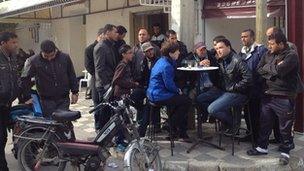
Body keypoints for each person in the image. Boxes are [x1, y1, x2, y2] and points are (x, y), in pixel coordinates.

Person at [247, 32, 303, 165]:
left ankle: (285, 152)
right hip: (267, 94)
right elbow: (259, 69)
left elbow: (280, 71)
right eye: (269, 43)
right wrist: (273, 69)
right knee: (265, 122)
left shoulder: (291, 55)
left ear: (281, 44)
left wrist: (271, 70)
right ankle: (262, 147)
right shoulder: (268, 54)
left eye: (272, 44)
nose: (269, 46)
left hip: (284, 96)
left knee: (285, 126)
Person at [196, 38, 252, 134]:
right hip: (223, 90)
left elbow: (249, 78)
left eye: (221, 47)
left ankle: (233, 123)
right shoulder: (221, 60)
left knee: (212, 109)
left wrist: (234, 87)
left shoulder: (237, 60)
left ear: (228, 47)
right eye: (217, 48)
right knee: (200, 98)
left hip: (237, 92)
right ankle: (229, 121)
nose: (218, 50)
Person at [21, 40, 79, 117]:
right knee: (50, 122)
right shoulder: (33, 61)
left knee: (63, 121)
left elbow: (71, 75)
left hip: (63, 98)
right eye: (46, 56)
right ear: (41, 52)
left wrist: (75, 92)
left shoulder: (65, 58)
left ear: (55, 50)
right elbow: (24, 79)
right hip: (46, 100)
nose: (49, 59)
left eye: (52, 56)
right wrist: (27, 97)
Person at [147, 42, 192, 142]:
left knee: (179, 102)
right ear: (171, 53)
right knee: (187, 101)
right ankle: (170, 124)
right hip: (159, 95)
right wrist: (178, 90)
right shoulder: (166, 65)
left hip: (152, 92)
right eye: (177, 51)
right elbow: (169, 84)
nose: (179, 53)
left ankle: (175, 130)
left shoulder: (161, 60)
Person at [239, 29, 268, 143]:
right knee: (247, 113)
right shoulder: (242, 52)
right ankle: (250, 133)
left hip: (258, 88)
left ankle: (258, 138)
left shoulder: (261, 50)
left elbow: (264, 68)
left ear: (252, 37)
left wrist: (259, 82)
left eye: (245, 36)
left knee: (257, 114)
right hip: (246, 89)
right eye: (242, 37)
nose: (243, 39)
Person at [0, 31, 19, 171]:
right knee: (0, 137)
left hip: (8, 103)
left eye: (15, 42)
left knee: (4, 137)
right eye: (13, 42)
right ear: (3, 43)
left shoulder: (12, 57)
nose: (15, 45)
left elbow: (15, 79)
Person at [94, 24, 119, 129]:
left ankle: (108, 135)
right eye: (115, 32)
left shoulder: (110, 45)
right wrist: (106, 85)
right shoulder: (101, 47)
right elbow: (100, 68)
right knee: (104, 112)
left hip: (111, 83)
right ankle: (101, 135)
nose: (117, 34)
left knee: (109, 112)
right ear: (108, 32)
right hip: (105, 85)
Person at [84, 27, 104, 131]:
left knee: (104, 105)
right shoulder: (90, 49)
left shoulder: (106, 47)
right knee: (97, 105)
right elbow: (88, 66)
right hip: (96, 80)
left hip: (105, 81)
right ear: (100, 36)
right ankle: (98, 127)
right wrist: (97, 75)